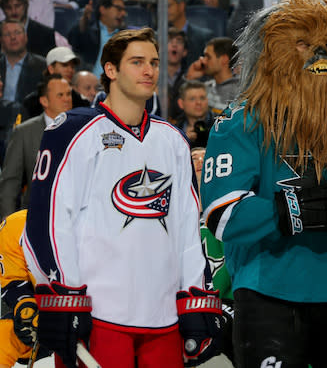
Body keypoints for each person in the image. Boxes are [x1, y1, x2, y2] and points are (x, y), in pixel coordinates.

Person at [200, 0, 327, 368]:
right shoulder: (239, 122)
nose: (320, 55)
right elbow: (220, 215)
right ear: (271, 54)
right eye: (303, 43)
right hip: (269, 293)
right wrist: (289, 210)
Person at [22, 28, 224, 368]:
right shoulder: (72, 130)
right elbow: (48, 219)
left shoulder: (172, 139)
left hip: (164, 320)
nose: (149, 70)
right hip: (97, 317)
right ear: (111, 70)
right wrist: (62, 297)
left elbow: (188, 229)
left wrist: (196, 298)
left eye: (154, 62)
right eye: (137, 62)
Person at [0, 74, 72, 220]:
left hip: (73, 218)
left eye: (68, 94)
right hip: (33, 217)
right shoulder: (24, 132)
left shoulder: (82, 129)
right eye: (60, 95)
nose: (67, 99)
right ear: (44, 101)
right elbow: (11, 182)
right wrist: (8, 223)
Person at [0, 210, 42, 368]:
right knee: (4, 335)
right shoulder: (16, 225)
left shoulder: (94, 224)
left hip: (96, 315)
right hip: (43, 312)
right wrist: (25, 306)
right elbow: (13, 281)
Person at [0, 0, 69, 58]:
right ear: (3, 9)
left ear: (25, 5)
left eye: (17, 6)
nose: (13, 11)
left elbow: (50, 65)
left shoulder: (46, 34)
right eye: (8, 7)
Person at [67, 0, 127, 76]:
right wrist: (84, 21)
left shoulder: (125, 36)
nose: (123, 13)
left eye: (124, 10)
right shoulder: (89, 31)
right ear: (103, 9)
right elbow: (73, 40)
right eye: (119, 9)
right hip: (89, 83)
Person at [21, 45, 85, 120]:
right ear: (51, 69)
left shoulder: (80, 102)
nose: (70, 70)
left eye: (72, 67)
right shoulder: (32, 103)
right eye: (65, 65)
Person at [186, 36, 240, 115]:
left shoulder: (241, 92)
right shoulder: (204, 89)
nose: (203, 61)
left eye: (208, 57)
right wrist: (190, 77)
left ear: (224, 59)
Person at [0, 19, 47, 106]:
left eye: (17, 32)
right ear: (1, 40)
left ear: (26, 37)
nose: (13, 37)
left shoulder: (42, 66)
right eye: (7, 34)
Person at [167, 0, 214, 68]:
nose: (165, 10)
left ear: (181, 6)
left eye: (169, 6)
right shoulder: (158, 38)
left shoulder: (203, 38)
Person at [175, 80, 214, 149]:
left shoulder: (219, 125)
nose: (198, 102)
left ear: (207, 101)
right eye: (192, 99)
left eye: (202, 98)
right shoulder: (175, 130)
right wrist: (183, 140)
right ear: (181, 103)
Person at [166, 27, 190, 121]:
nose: (174, 45)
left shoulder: (190, 76)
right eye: (169, 41)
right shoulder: (152, 74)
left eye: (179, 42)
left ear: (184, 52)